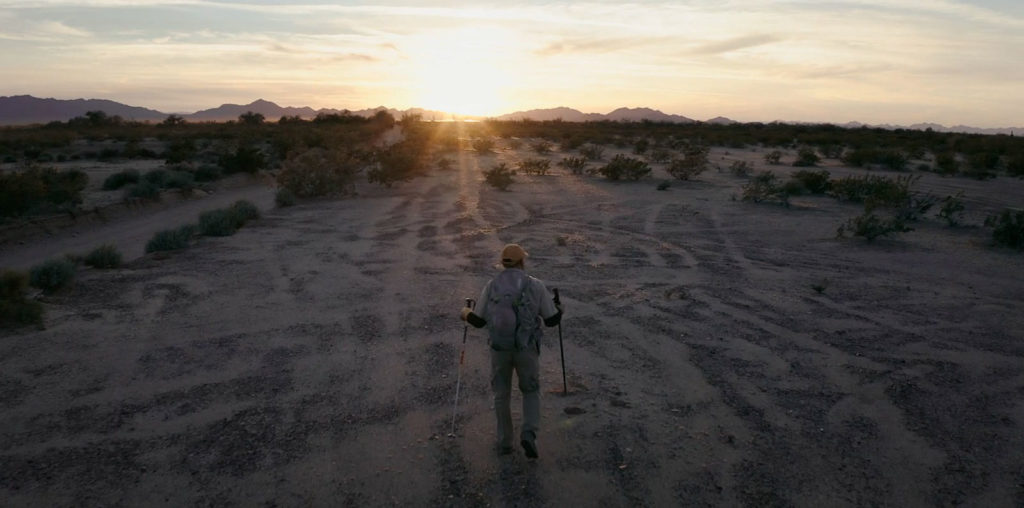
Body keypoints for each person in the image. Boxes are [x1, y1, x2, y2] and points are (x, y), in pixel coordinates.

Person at [460, 244, 562, 458]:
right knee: (530, 390)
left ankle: (505, 442)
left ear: (503, 262)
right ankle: (529, 433)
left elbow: (479, 321)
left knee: (501, 394)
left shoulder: (492, 285)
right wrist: (559, 309)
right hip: (526, 349)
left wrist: (465, 312)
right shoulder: (535, 285)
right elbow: (551, 320)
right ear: (522, 261)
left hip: (499, 349)